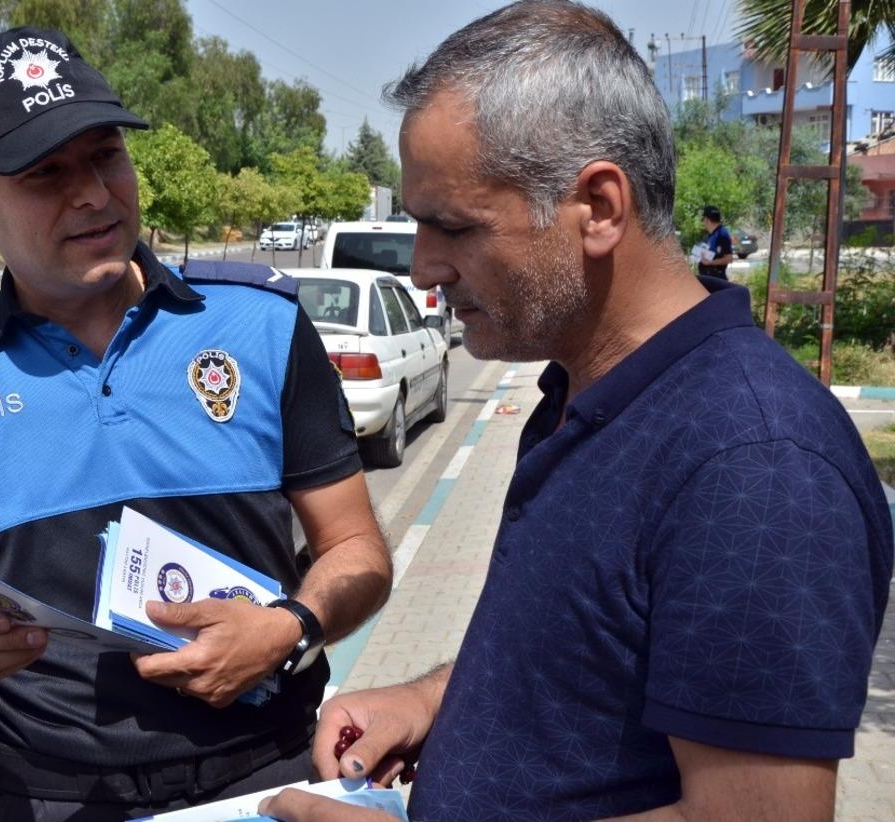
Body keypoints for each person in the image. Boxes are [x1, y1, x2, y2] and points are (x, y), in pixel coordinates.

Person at [259, 2, 894, 821]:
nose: (424, 269)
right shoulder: (583, 394)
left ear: (597, 206)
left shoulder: (754, 463)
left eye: (450, 226)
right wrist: (430, 700)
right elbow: (587, 660)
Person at [0, 26, 392, 822]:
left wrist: (291, 626)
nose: (94, 194)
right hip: (50, 800)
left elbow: (357, 550)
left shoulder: (261, 327)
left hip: (270, 783)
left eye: (105, 155)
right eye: (46, 174)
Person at [698, 205, 734, 279]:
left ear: (706, 220)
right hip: (708, 276)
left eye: (703, 219)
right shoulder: (711, 235)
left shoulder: (722, 234)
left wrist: (709, 262)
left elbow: (729, 258)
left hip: (717, 278)